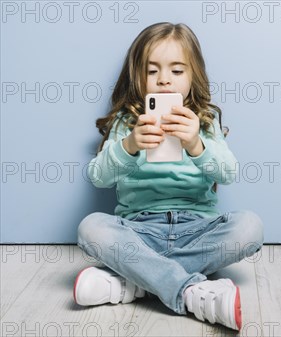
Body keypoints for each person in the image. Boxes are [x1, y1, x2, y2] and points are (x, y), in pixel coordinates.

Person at [73, 22, 263, 331]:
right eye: (152, 71)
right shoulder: (127, 123)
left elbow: (228, 173)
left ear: (193, 75)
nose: (164, 80)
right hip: (139, 232)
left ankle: (137, 281)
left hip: (197, 230)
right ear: (138, 75)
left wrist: (196, 144)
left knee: (250, 227)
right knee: (90, 227)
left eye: (176, 71)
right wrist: (130, 145)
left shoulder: (204, 122)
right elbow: (98, 177)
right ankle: (189, 290)